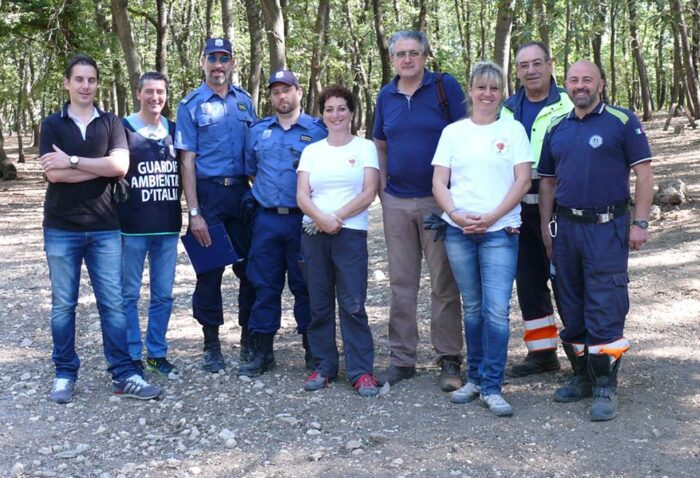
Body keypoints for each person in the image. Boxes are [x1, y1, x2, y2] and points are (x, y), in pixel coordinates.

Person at [40, 54, 161, 403]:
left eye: (91, 80)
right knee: (64, 305)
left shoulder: (110, 122)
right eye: (78, 79)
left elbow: (120, 166)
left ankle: (124, 374)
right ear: (67, 83)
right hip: (61, 227)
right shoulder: (52, 124)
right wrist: (99, 166)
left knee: (114, 303)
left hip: (106, 227)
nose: (85, 86)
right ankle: (64, 374)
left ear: (97, 84)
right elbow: (54, 174)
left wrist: (74, 160)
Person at [538, 60, 653, 421]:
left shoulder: (622, 121)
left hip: (608, 227)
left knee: (605, 300)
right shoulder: (557, 127)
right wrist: (546, 227)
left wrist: (641, 223)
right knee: (570, 301)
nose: (580, 85)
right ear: (566, 86)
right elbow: (548, 183)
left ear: (601, 83)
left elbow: (644, 174)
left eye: (587, 79)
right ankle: (582, 376)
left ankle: (605, 384)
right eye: (574, 80)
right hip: (566, 228)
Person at [432, 61, 532, 417]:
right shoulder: (454, 132)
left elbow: (522, 181)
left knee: (495, 311)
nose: (487, 94)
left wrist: (491, 217)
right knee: (472, 308)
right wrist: (456, 215)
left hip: (500, 231)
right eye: (481, 87)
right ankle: (473, 378)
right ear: (470, 91)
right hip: (459, 231)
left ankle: (492, 385)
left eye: (494, 88)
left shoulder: (514, 129)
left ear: (502, 92)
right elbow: (438, 183)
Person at [372, 30, 466, 391]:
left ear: (426, 55)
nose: (407, 59)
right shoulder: (386, 95)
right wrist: (382, 191)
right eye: (401, 54)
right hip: (396, 201)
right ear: (393, 58)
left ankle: (448, 358)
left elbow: (464, 137)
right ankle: (402, 359)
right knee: (401, 283)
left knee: (444, 282)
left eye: (414, 53)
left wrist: (454, 195)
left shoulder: (445, 88)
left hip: (437, 201)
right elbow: (380, 144)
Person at [175, 38, 257, 373]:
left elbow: (254, 155)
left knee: (250, 271)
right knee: (209, 273)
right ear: (203, 61)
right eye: (213, 58)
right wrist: (194, 212)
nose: (218, 64)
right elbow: (187, 162)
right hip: (208, 196)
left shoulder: (245, 103)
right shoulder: (191, 105)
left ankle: (249, 340)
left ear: (232, 63)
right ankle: (211, 344)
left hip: (242, 194)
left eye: (224, 58)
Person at [238, 70, 327, 377]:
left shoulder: (318, 130)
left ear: (299, 92)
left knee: (306, 286)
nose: (281, 97)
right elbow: (251, 171)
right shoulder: (258, 131)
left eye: (286, 90)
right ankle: (263, 353)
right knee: (264, 285)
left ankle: (313, 351)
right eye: (275, 92)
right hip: (266, 221)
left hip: (303, 222)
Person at [297, 85, 380, 397]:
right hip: (314, 234)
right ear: (322, 114)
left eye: (341, 108)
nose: (335, 115)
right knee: (318, 303)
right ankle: (324, 366)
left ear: (351, 111)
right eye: (329, 109)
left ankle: (361, 371)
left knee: (353, 304)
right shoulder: (312, 151)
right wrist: (321, 218)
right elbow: (302, 195)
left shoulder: (365, 148)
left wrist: (336, 218)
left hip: (350, 233)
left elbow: (369, 192)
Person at [501, 42, 573, 377]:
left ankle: (581, 353)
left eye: (536, 63)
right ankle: (542, 352)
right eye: (523, 65)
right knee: (528, 282)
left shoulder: (569, 104)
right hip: (517, 208)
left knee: (567, 281)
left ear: (550, 64)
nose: (530, 71)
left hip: (559, 207)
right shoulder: (506, 109)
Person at [117, 71, 181, 379]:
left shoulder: (175, 129)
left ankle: (157, 353)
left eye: (161, 92)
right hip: (132, 228)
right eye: (150, 92)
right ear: (139, 93)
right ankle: (131, 354)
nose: (155, 97)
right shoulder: (124, 128)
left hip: (167, 227)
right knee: (128, 294)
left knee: (163, 295)